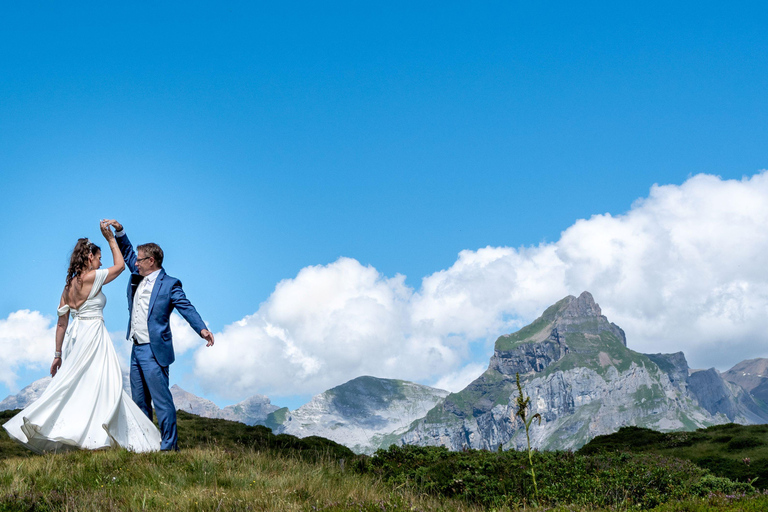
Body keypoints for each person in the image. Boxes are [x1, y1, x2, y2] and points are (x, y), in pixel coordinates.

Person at [3, 222, 162, 453]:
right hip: (93, 336)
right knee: (103, 386)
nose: (101, 262)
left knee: (79, 388)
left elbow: (61, 324)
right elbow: (119, 266)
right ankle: (96, 438)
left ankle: (87, 438)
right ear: (89, 257)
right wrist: (110, 240)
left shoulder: (68, 287)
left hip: (74, 340)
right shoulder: (91, 277)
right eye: (99, 258)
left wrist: (57, 355)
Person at [103, 219, 214, 452]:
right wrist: (120, 232)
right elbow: (127, 251)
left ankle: (168, 449)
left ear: (151, 261)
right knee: (139, 401)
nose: (135, 262)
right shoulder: (138, 273)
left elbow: (186, 307)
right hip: (136, 348)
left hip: (155, 351)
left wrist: (202, 329)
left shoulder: (170, 284)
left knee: (162, 402)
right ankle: (145, 446)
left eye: (140, 259)